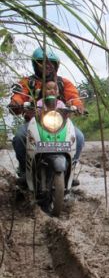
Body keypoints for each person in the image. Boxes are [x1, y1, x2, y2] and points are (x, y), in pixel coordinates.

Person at [10, 47, 85, 185]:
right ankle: (24, 171)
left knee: (79, 137)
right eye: (41, 63)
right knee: (19, 137)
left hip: (61, 123)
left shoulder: (64, 83)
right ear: (35, 65)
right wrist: (16, 103)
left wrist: (77, 106)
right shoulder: (27, 82)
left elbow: (74, 97)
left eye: (51, 63)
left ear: (56, 66)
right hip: (33, 122)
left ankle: (70, 168)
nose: (46, 66)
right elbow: (19, 96)